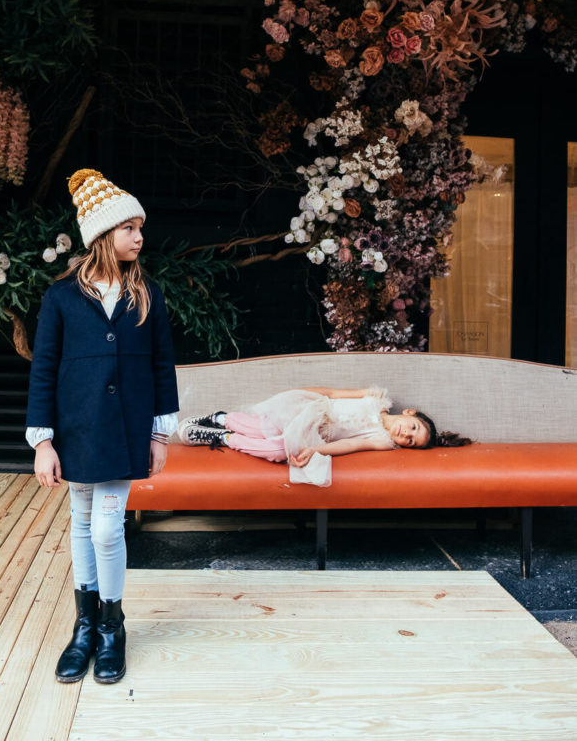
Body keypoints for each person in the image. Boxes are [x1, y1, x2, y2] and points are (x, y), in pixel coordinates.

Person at [25, 168, 179, 686]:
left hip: (128, 429)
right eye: (129, 228)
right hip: (77, 431)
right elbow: (44, 369)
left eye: (141, 228)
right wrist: (43, 440)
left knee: (109, 529)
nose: (140, 237)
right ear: (101, 237)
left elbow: (162, 366)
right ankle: (84, 626)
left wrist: (159, 434)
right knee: (82, 523)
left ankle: (113, 627)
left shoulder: (148, 295)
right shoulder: (62, 298)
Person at [178, 385, 471, 467]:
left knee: (281, 448)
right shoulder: (374, 398)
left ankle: (224, 437)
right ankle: (220, 419)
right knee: (266, 425)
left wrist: (315, 451)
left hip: (317, 433)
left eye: (410, 442)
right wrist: (299, 392)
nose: (405, 435)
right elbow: (330, 394)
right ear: (410, 413)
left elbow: (350, 444)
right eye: (413, 429)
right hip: (309, 407)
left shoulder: (381, 439)